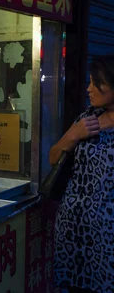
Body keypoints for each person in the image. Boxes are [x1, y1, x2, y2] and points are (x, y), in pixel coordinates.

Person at [50, 55, 114, 293]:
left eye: (96, 83)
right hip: (72, 225)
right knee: (72, 286)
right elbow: (53, 158)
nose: (89, 89)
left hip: (107, 231)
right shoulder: (87, 119)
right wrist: (72, 135)